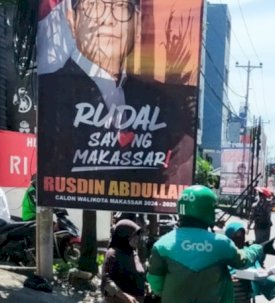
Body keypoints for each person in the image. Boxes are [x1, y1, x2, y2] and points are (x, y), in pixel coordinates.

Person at [37, 0, 197, 202]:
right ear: (72, 18)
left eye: (121, 7)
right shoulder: (50, 95)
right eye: (94, 6)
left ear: (137, 25)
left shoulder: (164, 105)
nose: (108, 19)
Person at [146, 185, 263, 303]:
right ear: (208, 210)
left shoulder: (163, 244)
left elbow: (155, 282)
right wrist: (257, 248)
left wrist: (171, 296)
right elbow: (243, 260)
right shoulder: (221, 244)